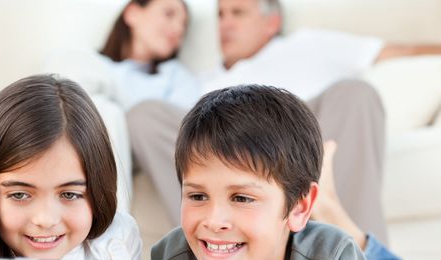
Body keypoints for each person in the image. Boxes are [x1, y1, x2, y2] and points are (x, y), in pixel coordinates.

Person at [151, 84, 441, 260]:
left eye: (241, 198)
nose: (214, 221)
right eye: (197, 196)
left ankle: (328, 208)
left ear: (300, 207)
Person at [127, 0, 441, 244]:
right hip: (227, 140)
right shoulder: (202, 80)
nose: (225, 25)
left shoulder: (309, 45)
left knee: (356, 94)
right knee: (145, 115)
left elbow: (404, 50)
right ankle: (210, 246)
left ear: (271, 22)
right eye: (220, 15)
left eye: (238, 13)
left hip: (304, 130)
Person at [0, 74, 142, 260]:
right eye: (19, 194)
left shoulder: (118, 240)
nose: (45, 219)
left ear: (98, 190)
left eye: (69, 194)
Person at [44, 0, 200, 112]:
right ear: (132, 13)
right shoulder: (87, 61)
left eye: (183, 24)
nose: (178, 29)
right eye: (169, 14)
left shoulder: (177, 77)